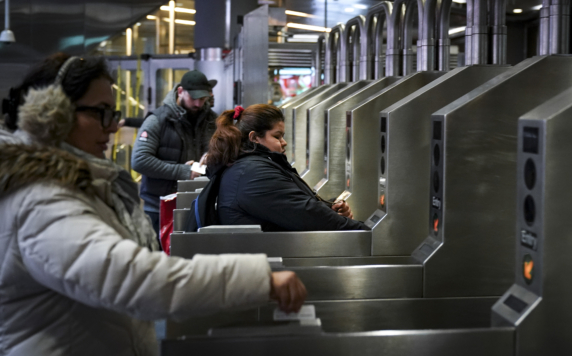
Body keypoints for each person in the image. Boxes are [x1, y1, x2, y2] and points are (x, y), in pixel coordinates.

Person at [0, 54, 306, 356]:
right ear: (53, 116)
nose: (113, 126)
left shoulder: (77, 186)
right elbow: (131, 278)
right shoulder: (42, 200)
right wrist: (256, 279)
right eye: (101, 112)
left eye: (112, 113)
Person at [205, 104, 370, 231]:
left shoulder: (249, 166)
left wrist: (329, 208)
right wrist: (364, 231)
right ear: (254, 138)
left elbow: (293, 206)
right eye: (277, 136)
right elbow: (307, 214)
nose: (284, 143)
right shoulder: (254, 174)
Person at [131, 70, 217, 241]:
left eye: (203, 99)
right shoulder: (158, 120)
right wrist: (185, 172)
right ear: (180, 91)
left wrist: (213, 155)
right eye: (193, 98)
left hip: (197, 206)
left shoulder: (211, 120)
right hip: (159, 208)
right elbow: (140, 161)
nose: (198, 103)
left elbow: (221, 150)